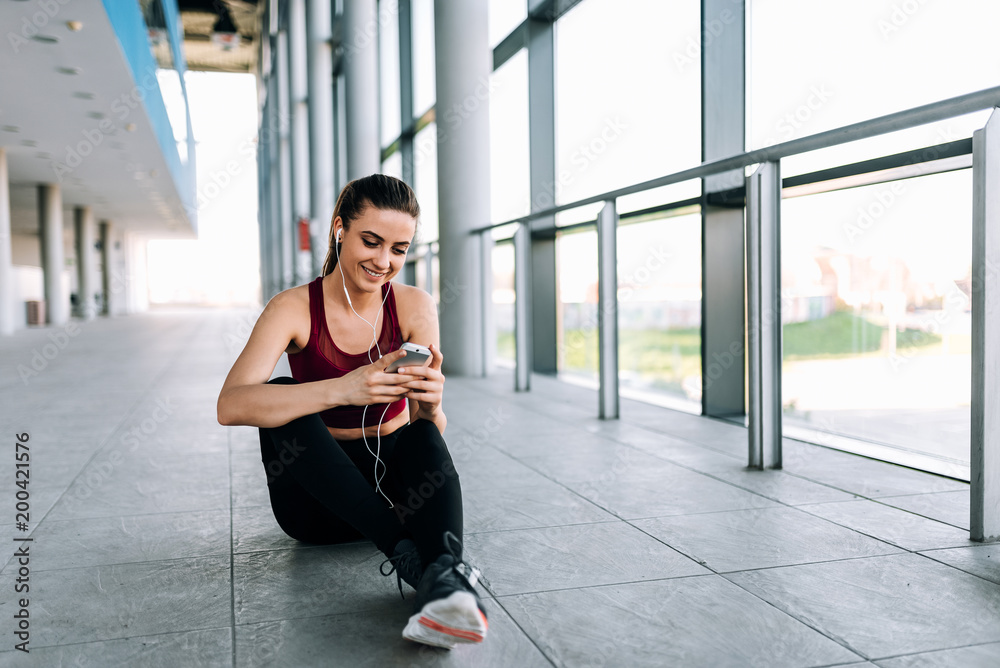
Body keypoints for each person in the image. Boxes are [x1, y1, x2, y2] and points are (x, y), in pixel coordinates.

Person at [217, 174, 487, 649]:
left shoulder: (414, 306)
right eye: (371, 241)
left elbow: (433, 434)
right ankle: (415, 560)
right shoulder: (293, 307)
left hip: (400, 500)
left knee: (422, 434)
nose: (384, 261)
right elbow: (231, 404)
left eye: (399, 249)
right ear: (340, 229)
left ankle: (443, 581)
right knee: (283, 398)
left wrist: (430, 406)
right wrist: (342, 389)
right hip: (319, 507)